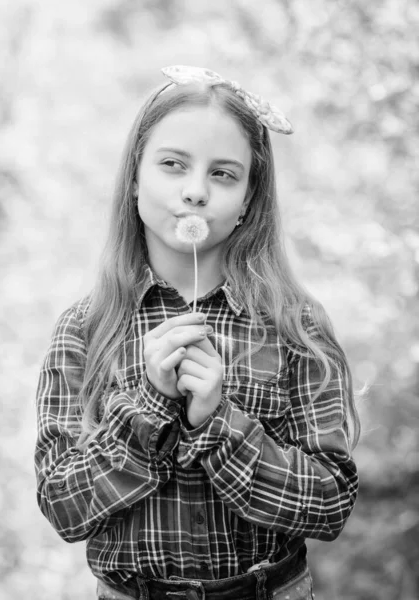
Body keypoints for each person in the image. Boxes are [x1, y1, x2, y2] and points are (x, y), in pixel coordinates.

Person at [35, 66, 360, 600]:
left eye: (224, 174)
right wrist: (150, 405)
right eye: (172, 165)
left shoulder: (294, 326)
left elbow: (328, 505)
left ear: (250, 201)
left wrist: (219, 423)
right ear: (135, 177)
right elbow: (64, 508)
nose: (195, 191)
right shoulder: (85, 330)